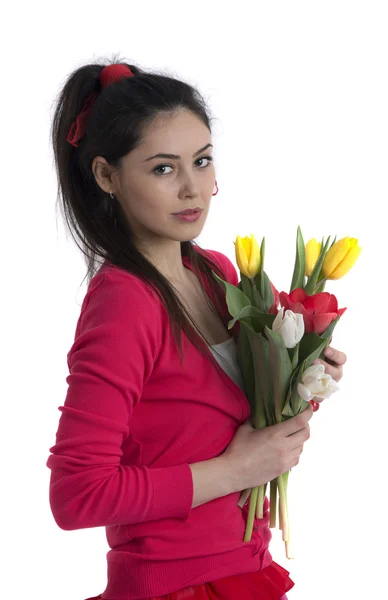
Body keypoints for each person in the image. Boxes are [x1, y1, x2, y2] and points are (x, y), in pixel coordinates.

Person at [46, 57, 347, 600]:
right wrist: (236, 470)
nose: (193, 188)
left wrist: (307, 375)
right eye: (163, 168)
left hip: (244, 567)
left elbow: (241, 416)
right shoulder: (124, 302)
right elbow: (78, 494)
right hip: (176, 585)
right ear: (106, 175)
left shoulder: (216, 274)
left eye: (202, 161)